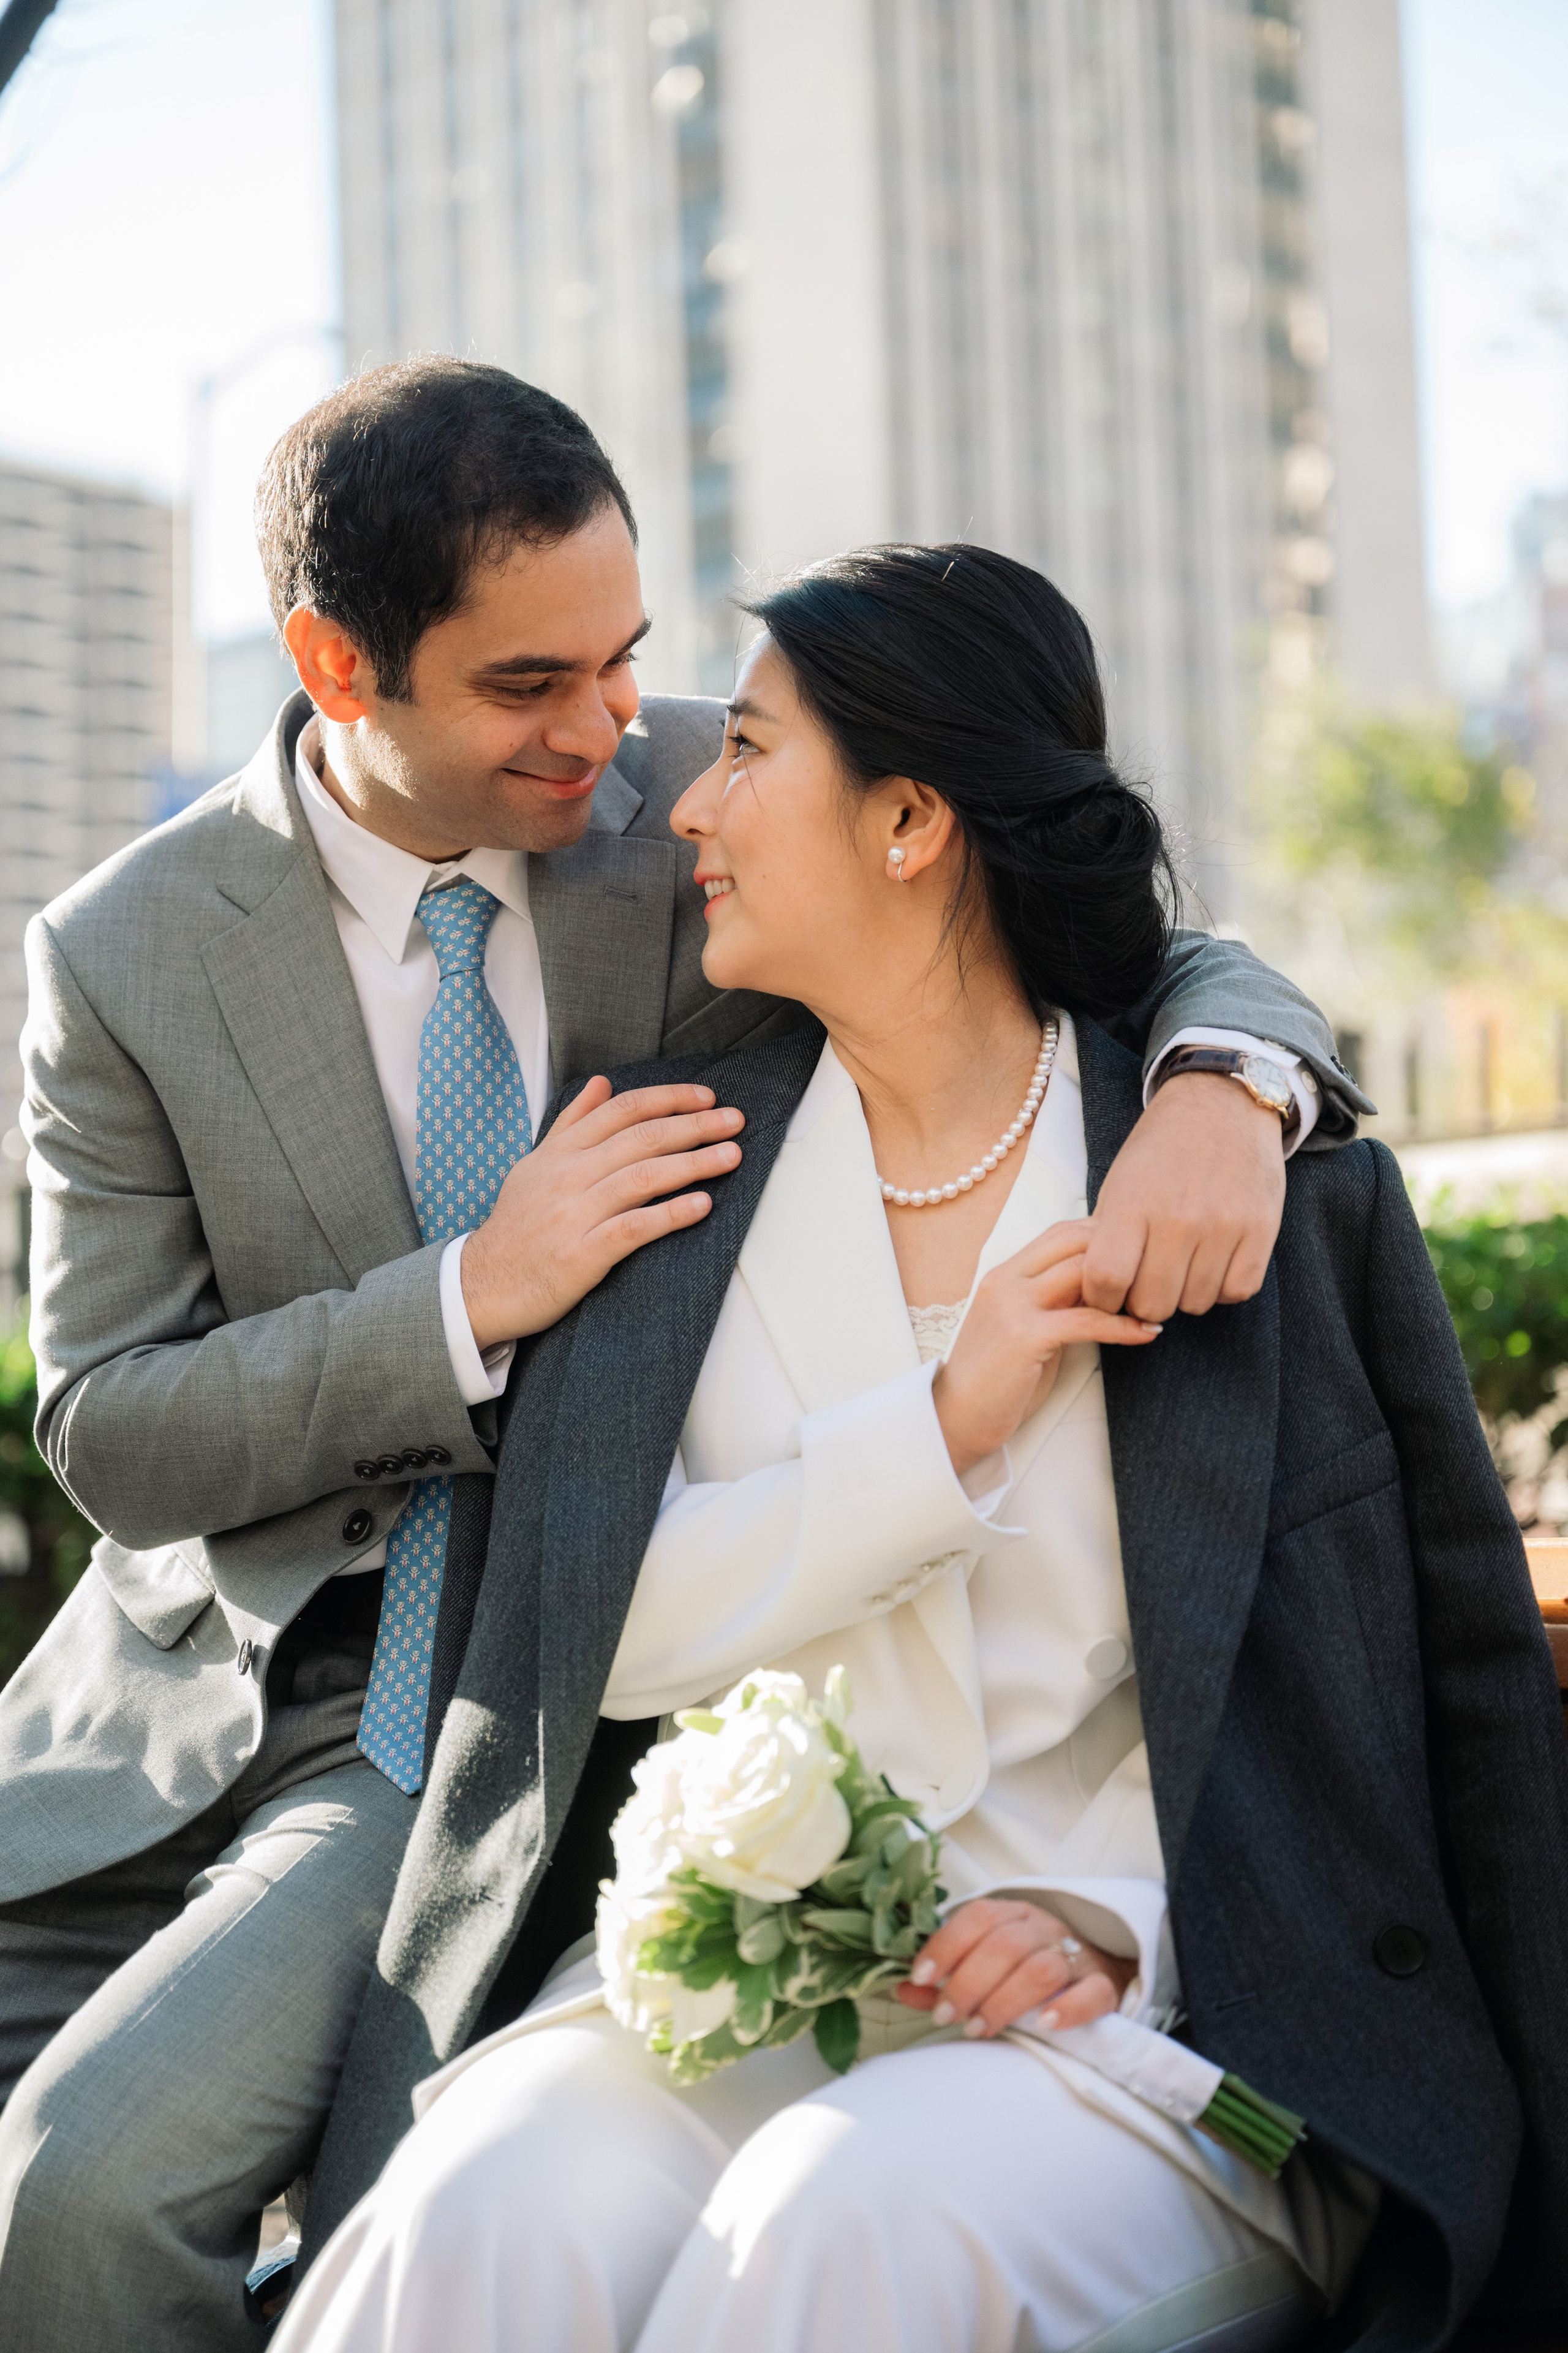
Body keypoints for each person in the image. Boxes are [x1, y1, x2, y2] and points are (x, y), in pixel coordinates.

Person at [0, 355, 1361, 2353]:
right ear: (335, 659)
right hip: (217, 1689)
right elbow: (108, 1424)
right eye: (530, 686)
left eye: (627, 657)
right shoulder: (121, 951)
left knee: (114, 2191)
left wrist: (1235, 1079)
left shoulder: (709, 804)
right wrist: (473, 1288)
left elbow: (1075, 879)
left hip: (499, 1704)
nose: (621, 730)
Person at [280, 544, 1568, 2353]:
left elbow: (1398, 1685)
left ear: (909, 821)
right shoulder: (669, 1172)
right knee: (482, 2204)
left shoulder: (1243, 1177)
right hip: (744, 1982)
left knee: (836, 2233)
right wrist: (942, 1430)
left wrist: (1124, 1918)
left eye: (750, 755)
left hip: (1164, 2032)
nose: (688, 806)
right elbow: (604, 1622)